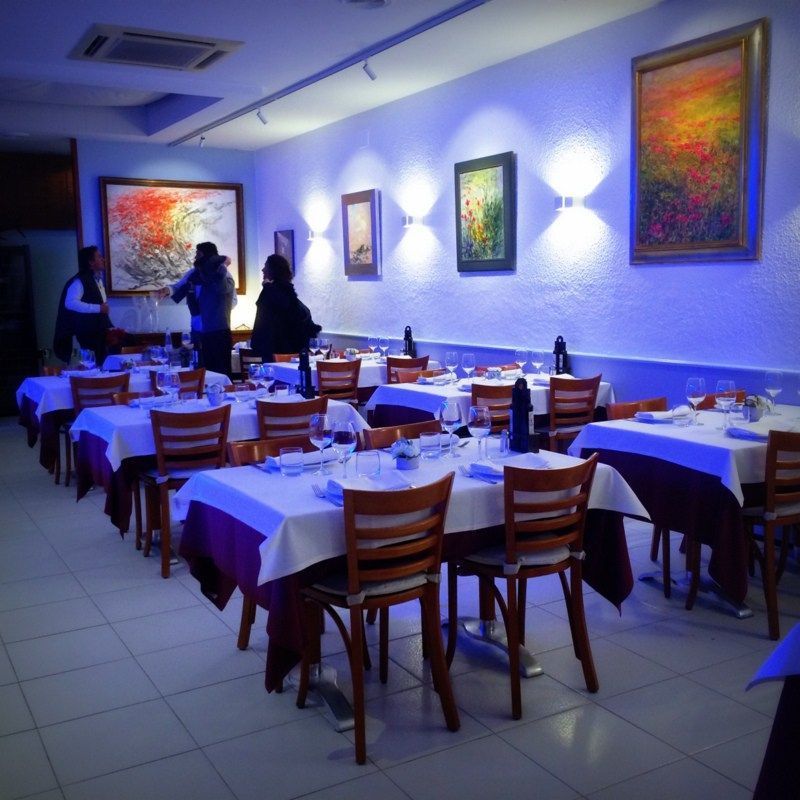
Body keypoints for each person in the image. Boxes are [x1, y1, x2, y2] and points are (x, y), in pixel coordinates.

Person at [159, 242, 235, 377]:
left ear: (209, 257)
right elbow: (178, 286)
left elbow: (233, 300)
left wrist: (213, 312)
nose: (195, 257)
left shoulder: (223, 275)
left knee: (218, 372)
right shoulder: (194, 274)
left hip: (217, 331)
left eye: (198, 254)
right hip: (197, 331)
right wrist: (167, 290)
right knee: (199, 370)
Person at [251, 253, 322, 362]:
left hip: (276, 346)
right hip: (286, 345)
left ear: (273, 270)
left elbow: (266, 320)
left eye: (266, 266)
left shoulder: (273, 292)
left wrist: (267, 287)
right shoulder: (287, 291)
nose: (263, 269)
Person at [53, 245, 113, 365]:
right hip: (89, 334)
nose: (103, 259)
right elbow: (70, 303)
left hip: (99, 332)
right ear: (91, 262)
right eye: (99, 257)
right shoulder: (79, 281)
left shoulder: (97, 280)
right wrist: (98, 308)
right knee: (94, 365)